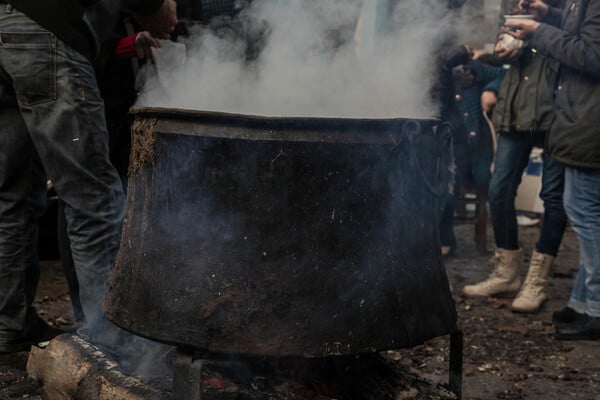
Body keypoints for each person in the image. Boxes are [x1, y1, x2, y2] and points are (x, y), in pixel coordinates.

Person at [0, 0, 176, 354]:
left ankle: (9, 325)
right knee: (92, 195)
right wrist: (155, 5)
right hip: (45, 28)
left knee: (13, 194)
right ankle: (116, 343)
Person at [462, 0, 569, 314]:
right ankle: (507, 272)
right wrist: (502, 56)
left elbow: (582, 48)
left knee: (553, 196)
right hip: (516, 104)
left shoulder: (568, 6)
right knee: (498, 191)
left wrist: (544, 21)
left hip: (557, 108)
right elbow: (504, 47)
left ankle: (537, 280)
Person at [504, 0, 600, 340]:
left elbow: (592, 54)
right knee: (581, 211)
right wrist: (552, 16)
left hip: (590, 119)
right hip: (581, 117)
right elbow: (584, 31)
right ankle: (583, 302)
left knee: (588, 217)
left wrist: (539, 31)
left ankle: (597, 309)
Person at [438, 45, 505, 256]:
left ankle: (444, 239)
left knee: (447, 176)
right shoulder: (433, 74)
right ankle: (436, 236)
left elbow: (505, 73)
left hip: (470, 151)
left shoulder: (471, 69)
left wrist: (490, 89)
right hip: (442, 144)